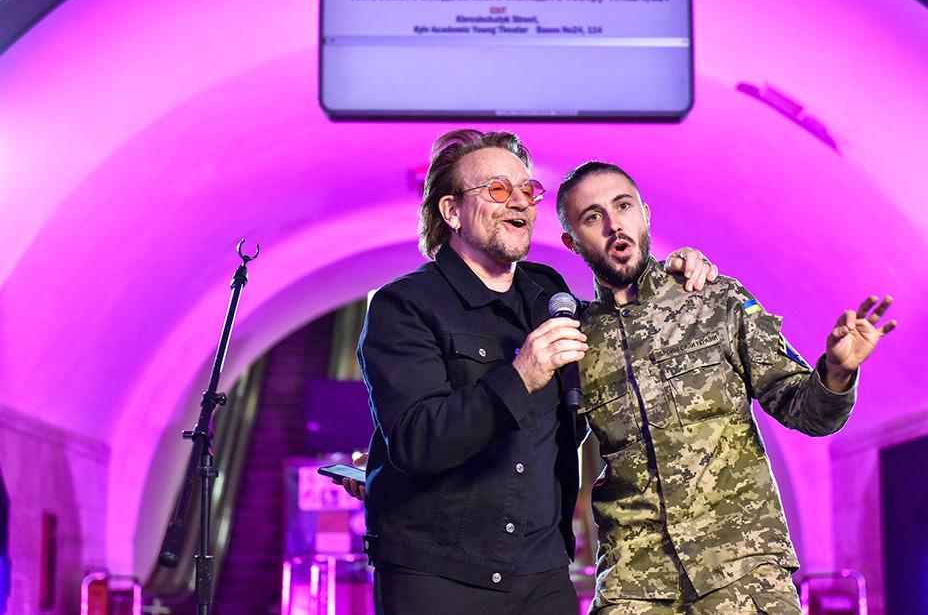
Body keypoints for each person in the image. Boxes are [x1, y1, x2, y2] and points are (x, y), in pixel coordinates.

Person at [352, 130, 716, 615]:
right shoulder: (404, 306)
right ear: (452, 212)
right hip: (438, 575)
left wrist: (669, 275)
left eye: (528, 190)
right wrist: (519, 375)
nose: (519, 201)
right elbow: (419, 440)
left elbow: (626, 335)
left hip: (542, 572)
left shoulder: (550, 294)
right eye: (498, 189)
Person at [555, 161, 897, 615]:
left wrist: (836, 372)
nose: (615, 223)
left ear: (646, 214)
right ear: (572, 241)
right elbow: (547, 459)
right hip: (634, 588)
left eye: (624, 205)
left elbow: (807, 412)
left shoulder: (717, 300)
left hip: (742, 573)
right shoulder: (576, 342)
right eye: (593, 217)